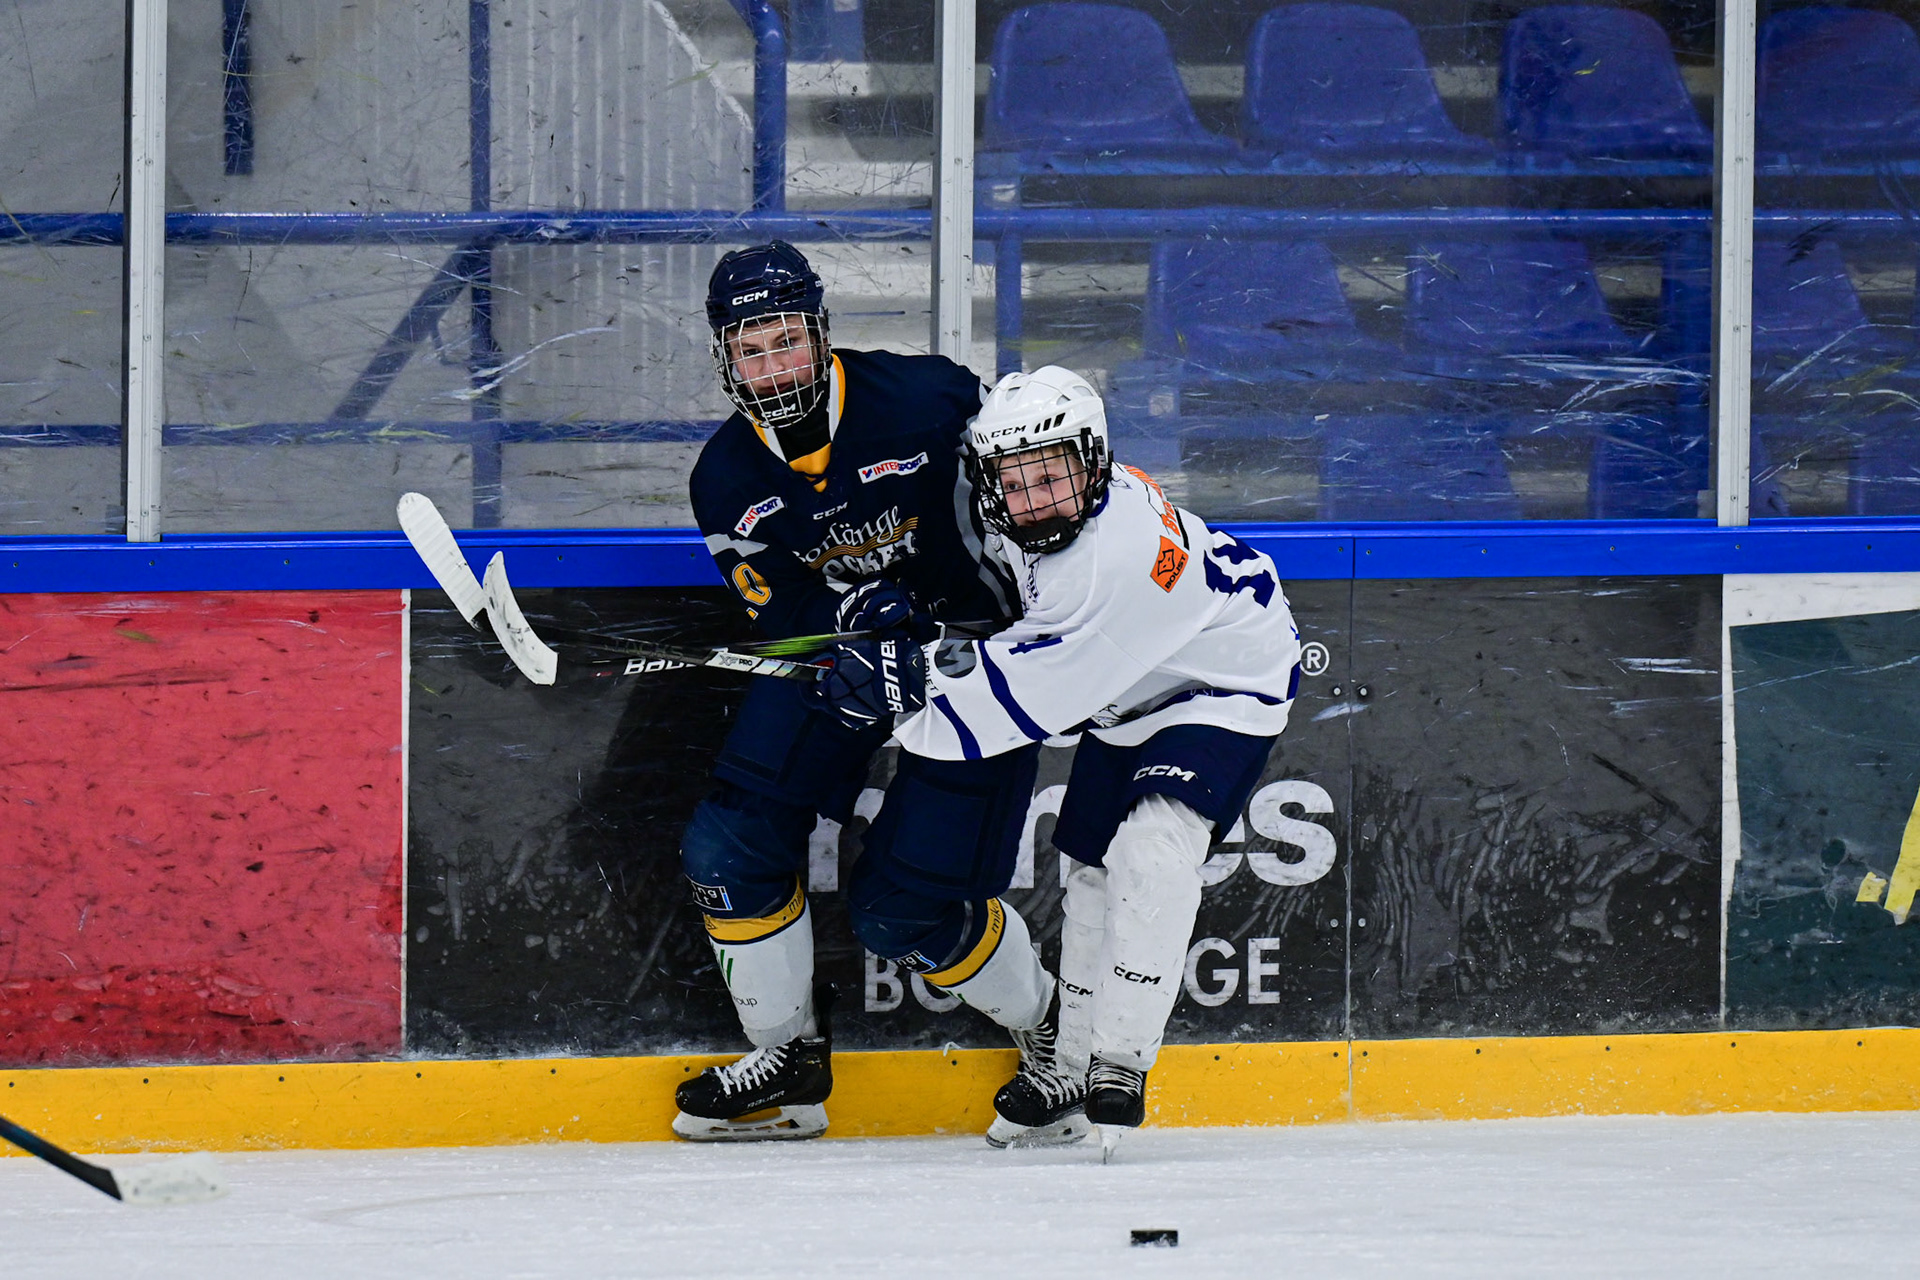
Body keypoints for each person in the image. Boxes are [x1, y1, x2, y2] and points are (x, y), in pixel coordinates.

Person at [820, 365, 1302, 1148]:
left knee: (1152, 851)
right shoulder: (1042, 521)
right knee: (1089, 876)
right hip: (1130, 688)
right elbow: (1019, 627)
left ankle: (1120, 1061)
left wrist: (899, 699)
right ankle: (1067, 1068)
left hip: (1222, 683)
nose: (1034, 499)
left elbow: (1024, 704)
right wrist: (908, 618)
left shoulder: (1121, 558)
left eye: (1050, 477)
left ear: (1094, 460)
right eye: (1015, 482)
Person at [673, 242, 1069, 1143]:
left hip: (975, 667)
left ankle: (1056, 1035)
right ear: (725, 360)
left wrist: (992, 620)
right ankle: (789, 1058)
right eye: (751, 351)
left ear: (821, 333)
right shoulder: (723, 479)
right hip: (849, 664)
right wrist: (847, 618)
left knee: (900, 911)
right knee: (728, 846)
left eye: (786, 341)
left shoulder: (931, 398)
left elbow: (1040, 497)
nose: (774, 367)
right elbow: (780, 613)